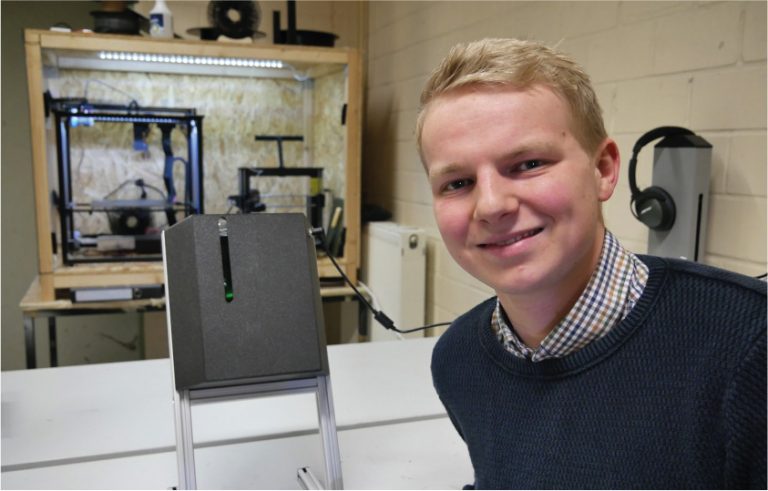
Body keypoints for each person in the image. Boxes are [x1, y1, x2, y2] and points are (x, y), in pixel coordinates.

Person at [417, 38, 767, 489]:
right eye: (457, 182)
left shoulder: (748, 348)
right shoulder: (459, 359)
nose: (491, 205)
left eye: (527, 164)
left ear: (603, 169)